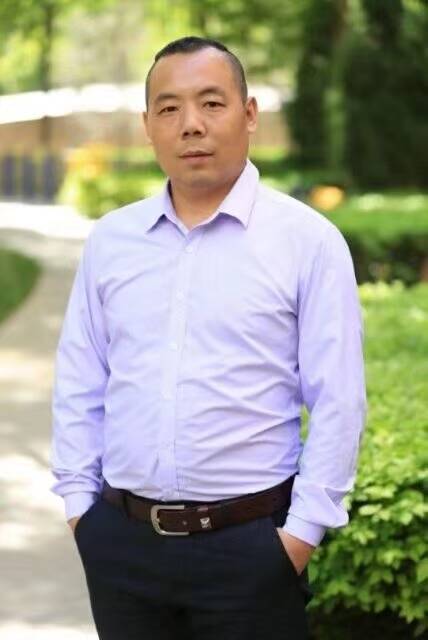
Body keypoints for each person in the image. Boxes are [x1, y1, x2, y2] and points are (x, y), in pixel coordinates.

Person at [50, 35, 367, 640]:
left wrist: (298, 538)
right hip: (121, 545)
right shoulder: (112, 241)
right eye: (169, 108)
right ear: (148, 125)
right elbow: (81, 381)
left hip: (251, 550)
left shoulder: (307, 241)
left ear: (249, 114)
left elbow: (339, 401)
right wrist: (80, 512)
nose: (190, 124)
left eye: (211, 103)